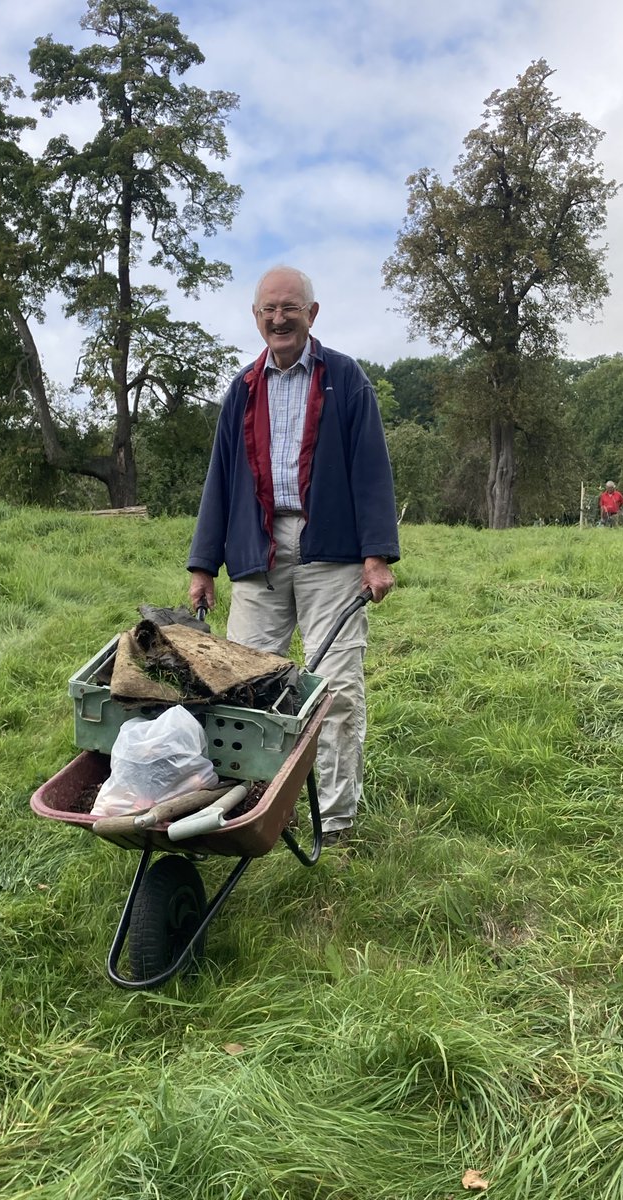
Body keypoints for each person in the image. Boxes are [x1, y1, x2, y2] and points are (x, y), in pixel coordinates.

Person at [187, 266, 400, 848]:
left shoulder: (345, 380)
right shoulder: (243, 388)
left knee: (335, 689)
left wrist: (377, 554)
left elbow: (371, 469)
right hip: (257, 550)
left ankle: (334, 822)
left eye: (290, 308)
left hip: (331, 552)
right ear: (256, 317)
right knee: (245, 687)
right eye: (268, 310)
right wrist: (204, 565)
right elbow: (220, 478)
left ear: (312, 313)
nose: (279, 319)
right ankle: (251, 810)